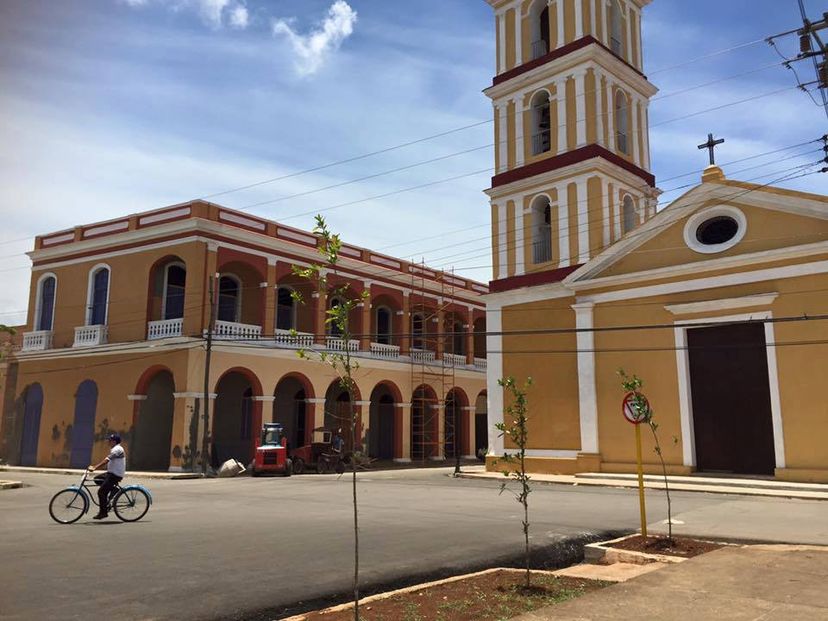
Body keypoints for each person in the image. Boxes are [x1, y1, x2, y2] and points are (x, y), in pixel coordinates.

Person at [87, 433, 126, 520]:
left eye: (110, 440)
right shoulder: (114, 448)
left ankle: (103, 513)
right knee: (97, 479)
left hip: (115, 475)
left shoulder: (118, 449)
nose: (108, 442)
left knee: (101, 492)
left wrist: (95, 467)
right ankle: (114, 489)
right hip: (111, 473)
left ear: (114, 441)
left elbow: (107, 460)